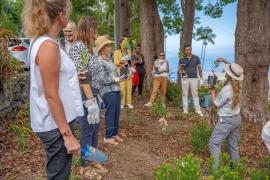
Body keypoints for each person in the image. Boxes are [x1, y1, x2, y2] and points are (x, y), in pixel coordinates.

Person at [22, 0, 84, 179]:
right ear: (61, 16)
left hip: (54, 121)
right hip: (55, 124)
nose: (69, 16)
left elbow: (50, 79)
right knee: (58, 175)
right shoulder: (48, 46)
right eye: (67, 12)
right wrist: (67, 135)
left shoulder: (42, 41)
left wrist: (72, 77)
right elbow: (51, 95)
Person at [68, 16, 106, 178]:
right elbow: (83, 77)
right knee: (87, 130)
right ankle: (84, 165)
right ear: (89, 29)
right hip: (85, 93)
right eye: (95, 29)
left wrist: (98, 97)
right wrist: (91, 102)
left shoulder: (90, 49)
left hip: (95, 92)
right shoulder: (79, 48)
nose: (96, 33)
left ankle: (92, 159)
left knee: (95, 129)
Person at [208, 58, 244, 168]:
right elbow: (234, 69)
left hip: (226, 121)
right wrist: (224, 60)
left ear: (228, 75)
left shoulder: (227, 89)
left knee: (214, 144)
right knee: (233, 145)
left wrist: (212, 91)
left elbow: (217, 103)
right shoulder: (239, 85)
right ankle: (236, 167)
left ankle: (216, 170)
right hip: (236, 119)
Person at [96, 36, 123, 146]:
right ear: (102, 48)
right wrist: (114, 79)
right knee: (110, 113)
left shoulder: (109, 60)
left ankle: (114, 133)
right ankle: (108, 136)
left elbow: (114, 73)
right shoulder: (99, 61)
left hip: (116, 89)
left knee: (117, 112)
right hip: (107, 91)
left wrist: (120, 76)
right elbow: (102, 79)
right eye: (108, 46)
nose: (110, 48)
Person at [179, 44, 204, 116]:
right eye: (186, 50)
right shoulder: (182, 58)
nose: (187, 51)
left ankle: (198, 109)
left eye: (189, 49)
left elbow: (199, 68)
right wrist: (182, 74)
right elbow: (180, 69)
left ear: (191, 49)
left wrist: (201, 78)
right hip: (185, 79)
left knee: (195, 94)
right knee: (184, 94)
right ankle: (185, 109)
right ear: (184, 51)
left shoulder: (196, 58)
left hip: (194, 78)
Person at [114, 37, 134, 109]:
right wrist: (120, 62)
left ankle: (128, 103)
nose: (124, 45)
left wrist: (128, 51)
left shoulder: (128, 51)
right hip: (121, 70)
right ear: (120, 44)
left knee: (129, 87)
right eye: (123, 43)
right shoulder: (116, 52)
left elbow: (129, 60)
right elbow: (115, 62)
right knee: (122, 87)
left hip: (128, 70)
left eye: (125, 43)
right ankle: (121, 103)